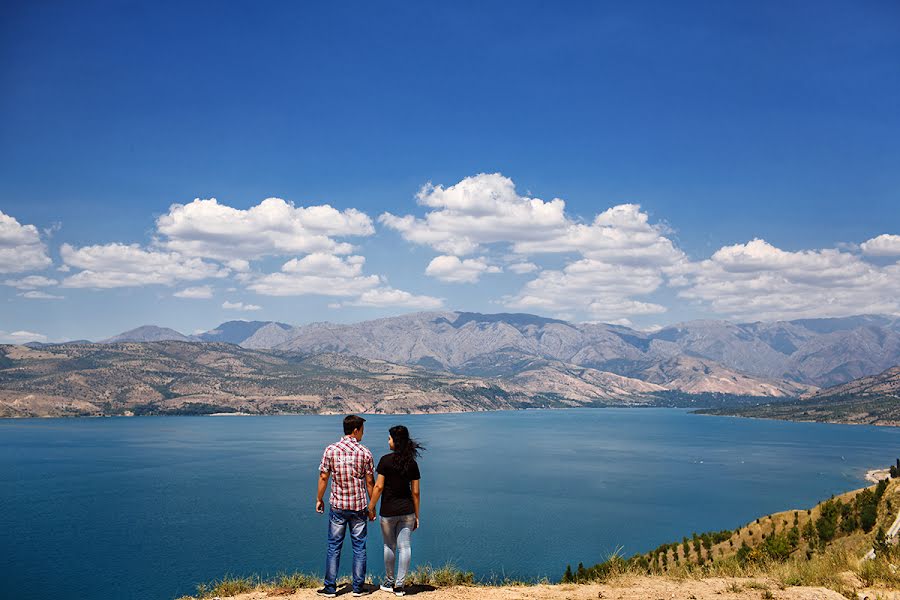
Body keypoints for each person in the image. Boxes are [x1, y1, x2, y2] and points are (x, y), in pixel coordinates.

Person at [316, 415, 375, 598]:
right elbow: (370, 482)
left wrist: (319, 498)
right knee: (359, 547)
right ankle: (358, 588)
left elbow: (324, 477)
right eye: (362, 430)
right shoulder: (365, 452)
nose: (363, 434)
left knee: (334, 546)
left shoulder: (331, 450)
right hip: (359, 507)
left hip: (338, 506)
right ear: (356, 430)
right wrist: (372, 506)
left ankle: (330, 588)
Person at [367, 425, 424, 597]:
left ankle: (389, 581)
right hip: (407, 511)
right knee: (405, 547)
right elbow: (415, 492)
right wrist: (417, 515)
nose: (388, 441)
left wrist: (371, 507)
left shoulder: (385, 461)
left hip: (388, 512)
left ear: (395, 441)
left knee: (389, 546)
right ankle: (400, 586)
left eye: (390, 438)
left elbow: (378, 487)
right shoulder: (412, 463)